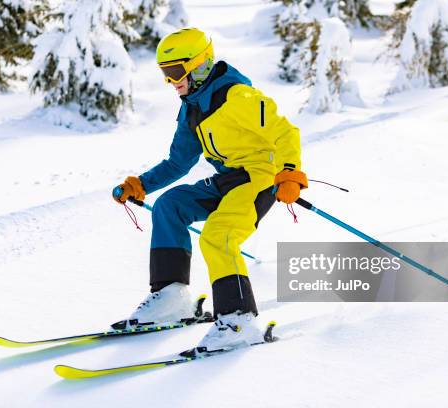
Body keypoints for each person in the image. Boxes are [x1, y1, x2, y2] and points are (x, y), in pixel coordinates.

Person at [113, 28, 307, 352]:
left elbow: (284, 132)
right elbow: (178, 162)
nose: (171, 81)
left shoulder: (238, 97)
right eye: (165, 74)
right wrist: (141, 185)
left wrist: (289, 173)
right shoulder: (192, 108)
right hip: (229, 179)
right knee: (169, 205)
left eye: (175, 72)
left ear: (199, 64)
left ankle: (238, 321)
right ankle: (171, 296)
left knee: (219, 235)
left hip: (260, 178)